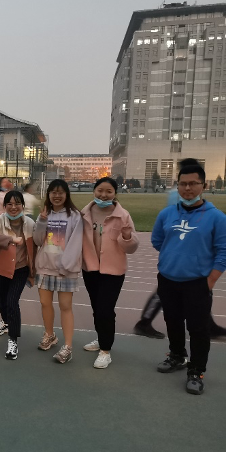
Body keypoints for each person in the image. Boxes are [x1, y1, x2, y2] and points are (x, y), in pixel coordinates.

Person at [151, 159, 226, 395]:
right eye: (183, 184)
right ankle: (177, 355)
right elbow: (157, 240)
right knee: (173, 322)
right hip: (168, 280)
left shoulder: (217, 218)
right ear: (178, 185)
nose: (187, 188)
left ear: (204, 185)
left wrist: (209, 281)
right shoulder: (167, 214)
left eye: (193, 183)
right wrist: (174, 255)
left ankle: (196, 371)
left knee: (198, 329)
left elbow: (223, 252)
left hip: (197, 283)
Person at [80, 178, 139, 369]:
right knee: (97, 308)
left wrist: (127, 237)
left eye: (108, 191)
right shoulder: (84, 213)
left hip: (113, 271)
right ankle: (101, 338)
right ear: (94, 191)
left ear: (115, 193)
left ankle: (105, 350)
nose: (103, 195)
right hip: (90, 268)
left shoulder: (123, 216)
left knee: (105, 309)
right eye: (100, 190)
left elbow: (131, 248)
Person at [33, 179, 83, 364]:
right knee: (45, 303)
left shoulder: (75, 216)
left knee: (65, 306)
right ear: (48, 194)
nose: (57, 195)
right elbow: (38, 240)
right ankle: (50, 335)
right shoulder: (44, 214)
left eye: (60, 192)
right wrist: (42, 221)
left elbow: (76, 244)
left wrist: (66, 266)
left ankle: (68, 346)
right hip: (45, 267)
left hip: (65, 270)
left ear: (66, 194)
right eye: (53, 192)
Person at [0, 190, 35, 360]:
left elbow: (38, 241)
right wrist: (11, 240)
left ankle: (13, 340)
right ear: (5, 206)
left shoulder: (30, 223)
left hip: (20, 269)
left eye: (17, 203)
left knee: (12, 302)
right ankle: (6, 322)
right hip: (1, 269)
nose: (14, 207)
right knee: (3, 300)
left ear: (23, 206)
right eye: (10, 204)